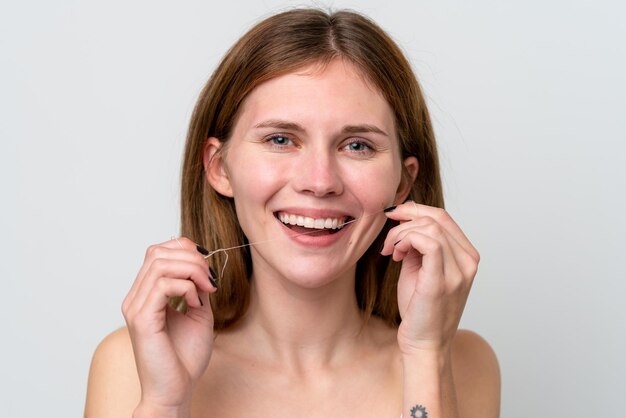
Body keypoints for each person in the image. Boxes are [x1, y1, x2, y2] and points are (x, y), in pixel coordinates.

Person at [84, 8, 500, 418]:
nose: (319, 181)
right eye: (281, 139)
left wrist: (427, 354)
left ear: (402, 184)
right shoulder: (132, 366)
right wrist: (165, 405)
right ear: (219, 167)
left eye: (357, 145)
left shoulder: (461, 363)